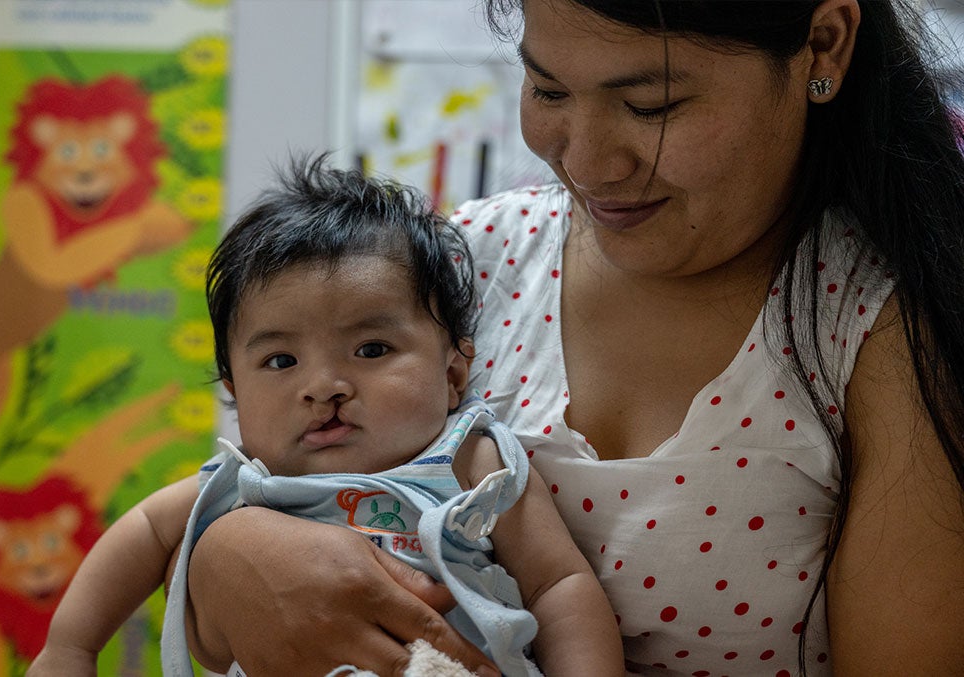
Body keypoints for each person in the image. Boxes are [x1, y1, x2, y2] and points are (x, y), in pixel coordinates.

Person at [177, 1, 964, 675]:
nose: (585, 161)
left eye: (652, 105)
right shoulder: (459, 268)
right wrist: (222, 554)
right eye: (547, 87)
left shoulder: (877, 328)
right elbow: (267, 470)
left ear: (822, 46)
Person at [26, 155, 624, 677]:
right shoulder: (246, 482)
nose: (323, 387)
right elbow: (142, 532)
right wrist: (69, 648)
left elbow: (558, 585)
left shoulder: (472, 458)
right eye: (281, 360)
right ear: (235, 390)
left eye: (371, 350)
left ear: (452, 375)